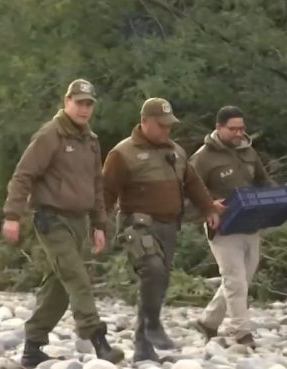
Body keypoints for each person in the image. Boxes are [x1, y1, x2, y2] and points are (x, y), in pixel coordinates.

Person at [1, 79, 124, 367]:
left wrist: (99, 225)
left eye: (89, 104)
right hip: (51, 219)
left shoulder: (90, 141)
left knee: (58, 285)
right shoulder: (50, 135)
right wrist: (12, 215)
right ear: (66, 101)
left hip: (79, 222)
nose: (84, 109)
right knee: (77, 277)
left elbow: (96, 185)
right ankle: (99, 341)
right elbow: (23, 175)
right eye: (79, 102)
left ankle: (32, 347)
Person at [102, 97, 220, 362]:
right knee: (152, 269)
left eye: (169, 126)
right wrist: (98, 226)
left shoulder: (176, 152)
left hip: (168, 226)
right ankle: (153, 325)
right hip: (138, 225)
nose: (166, 130)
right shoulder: (123, 153)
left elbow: (193, 183)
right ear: (144, 122)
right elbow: (105, 193)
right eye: (161, 125)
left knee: (158, 283)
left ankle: (143, 344)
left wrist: (209, 208)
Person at [189, 106, 274, 348]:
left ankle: (207, 321)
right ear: (219, 128)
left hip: (250, 225)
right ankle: (242, 333)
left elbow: (263, 181)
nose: (238, 133)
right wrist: (207, 207)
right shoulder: (202, 158)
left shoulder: (249, 152)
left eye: (242, 128)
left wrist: (274, 199)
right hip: (223, 228)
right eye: (233, 129)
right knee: (235, 280)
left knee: (243, 279)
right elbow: (187, 192)